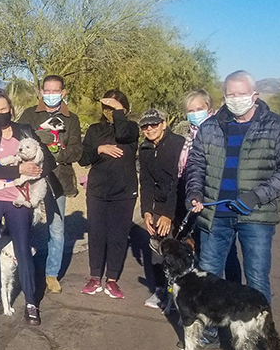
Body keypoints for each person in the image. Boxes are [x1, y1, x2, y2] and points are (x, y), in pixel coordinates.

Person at [186, 70, 280, 305]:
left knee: (256, 279)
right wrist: (195, 192)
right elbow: (196, 163)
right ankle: (210, 330)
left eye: (241, 94)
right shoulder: (210, 127)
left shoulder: (277, 126)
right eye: (231, 94)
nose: (236, 99)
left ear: (254, 95)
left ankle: (259, 338)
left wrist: (257, 196)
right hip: (215, 215)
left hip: (256, 216)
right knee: (208, 276)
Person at [0, 89, 54, 325]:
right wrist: (18, 170)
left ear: (11, 108)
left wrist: (34, 172)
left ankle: (30, 301)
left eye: (2, 109)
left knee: (22, 249)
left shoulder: (25, 130)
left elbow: (46, 160)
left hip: (19, 198)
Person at [16, 75, 81, 294]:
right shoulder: (29, 115)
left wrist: (58, 152)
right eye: (47, 91)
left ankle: (51, 274)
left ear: (63, 93)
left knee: (56, 228)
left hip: (58, 179)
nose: (51, 95)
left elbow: (77, 150)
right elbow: (19, 140)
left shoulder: (71, 119)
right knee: (25, 224)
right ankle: (22, 268)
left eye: (55, 91)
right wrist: (39, 152)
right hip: (31, 177)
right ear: (41, 92)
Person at [175, 89, 242, 291]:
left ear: (209, 108)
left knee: (224, 252)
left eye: (199, 109)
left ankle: (231, 293)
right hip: (193, 200)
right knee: (204, 250)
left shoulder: (220, 132)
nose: (195, 113)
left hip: (213, 202)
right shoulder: (190, 135)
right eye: (191, 110)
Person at [78, 90, 140, 299]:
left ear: (124, 109)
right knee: (97, 234)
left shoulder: (131, 128)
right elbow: (83, 159)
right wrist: (100, 149)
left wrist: (119, 112)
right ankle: (95, 277)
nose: (109, 112)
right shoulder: (95, 130)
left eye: (114, 108)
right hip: (98, 191)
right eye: (107, 107)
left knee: (118, 236)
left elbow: (122, 134)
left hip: (124, 191)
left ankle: (112, 279)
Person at [136, 108, 184, 305]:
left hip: (181, 202)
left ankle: (181, 296)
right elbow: (146, 181)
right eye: (145, 126)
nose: (149, 129)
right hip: (159, 202)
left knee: (179, 251)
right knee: (157, 248)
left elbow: (177, 181)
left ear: (164, 124)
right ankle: (160, 290)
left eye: (154, 124)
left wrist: (167, 214)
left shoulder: (178, 145)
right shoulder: (145, 148)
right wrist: (147, 210)